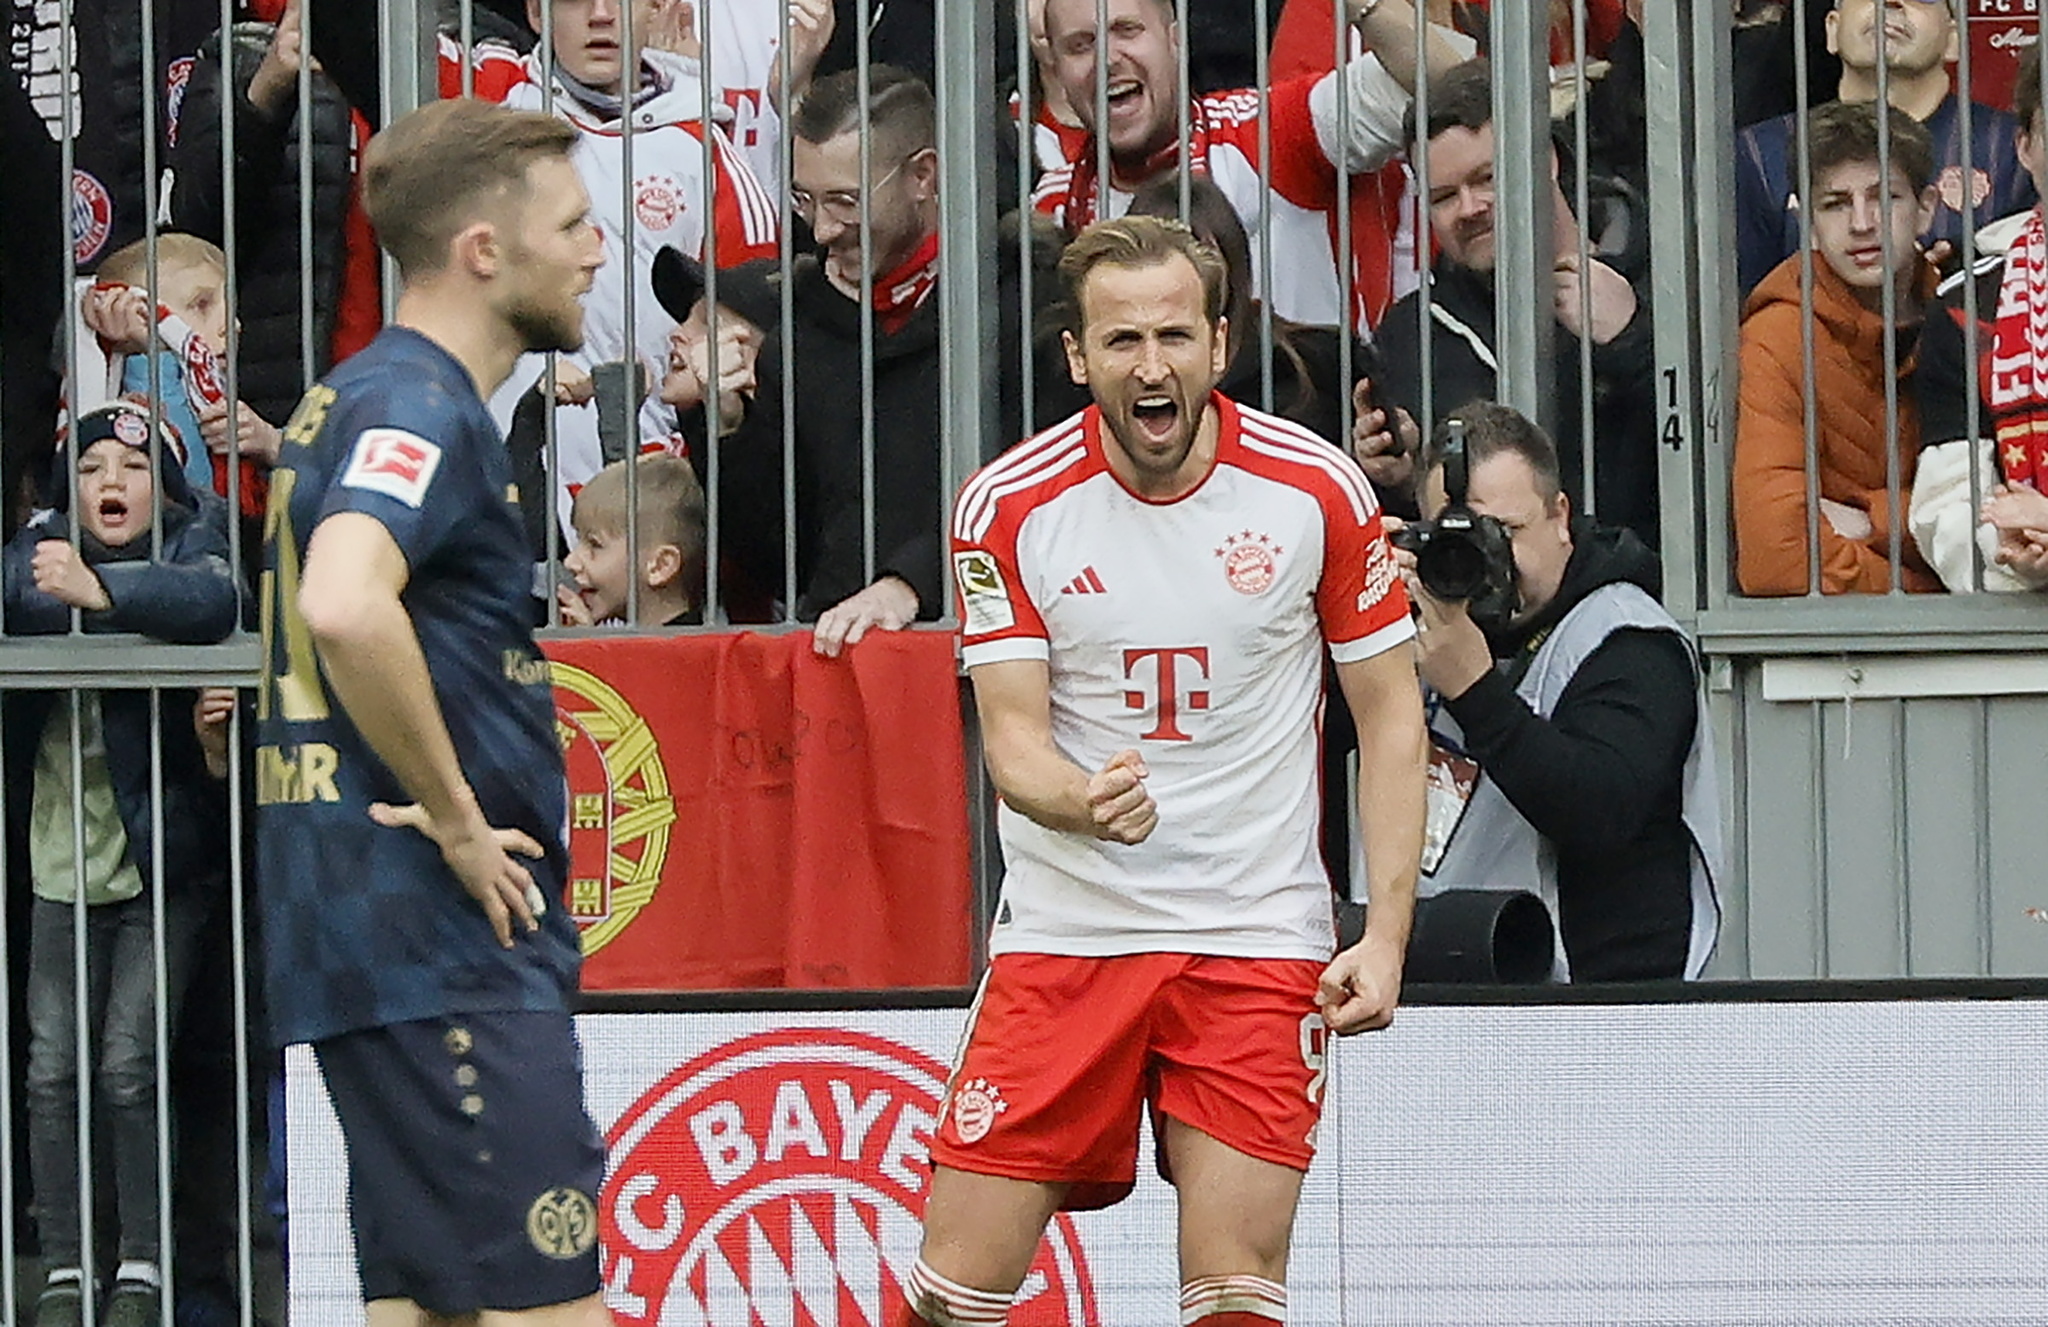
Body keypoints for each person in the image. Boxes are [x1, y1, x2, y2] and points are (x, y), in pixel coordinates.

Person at [911, 215, 1426, 1327]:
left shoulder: (1316, 493)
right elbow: (1009, 741)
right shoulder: (1006, 505)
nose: (1152, 366)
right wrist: (1077, 801)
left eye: (1175, 336)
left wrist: (1383, 938)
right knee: (953, 1298)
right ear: (1075, 357)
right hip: (1067, 935)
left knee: (1236, 1298)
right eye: (1122, 340)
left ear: (1219, 342)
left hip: (1252, 937)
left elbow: (1390, 715)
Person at [254, 98, 608, 1324]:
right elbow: (349, 604)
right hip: (439, 942)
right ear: (481, 250)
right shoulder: (417, 405)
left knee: (422, 1309)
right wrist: (459, 818)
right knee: (551, 1307)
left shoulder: (348, 395)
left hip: (371, 940)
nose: (596, 248)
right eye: (570, 224)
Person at [7, 403, 240, 1327]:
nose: (110, 482)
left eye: (133, 469)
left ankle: (143, 1266)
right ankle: (65, 1269)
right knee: (49, 1071)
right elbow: (19, 596)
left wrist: (100, 594)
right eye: (92, 465)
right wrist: (78, 583)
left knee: (128, 1067)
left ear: (167, 488)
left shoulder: (198, 543)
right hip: (55, 865)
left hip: (160, 867)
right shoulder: (39, 547)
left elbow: (213, 602)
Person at [695, 65, 1039, 651]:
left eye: (846, 202)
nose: (823, 229)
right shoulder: (800, 324)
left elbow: (1043, 497)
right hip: (841, 670)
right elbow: (778, 558)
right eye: (804, 201)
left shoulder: (1025, 303)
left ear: (923, 176)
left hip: (1001, 657)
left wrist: (913, 583)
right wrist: (728, 431)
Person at [1398, 401, 1720, 982]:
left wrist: (1473, 688)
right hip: (1443, 995)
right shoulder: (1417, 624)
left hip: (1597, 1012)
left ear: (1560, 516)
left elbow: (1600, 809)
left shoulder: (1628, 639)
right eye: (1458, 540)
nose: (1488, 560)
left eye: (1506, 532)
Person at [457, 0, 781, 544]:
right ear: (535, 12)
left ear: (658, 10)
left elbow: (753, 351)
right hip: (502, 491)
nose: (602, 15)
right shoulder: (487, 116)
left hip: (650, 514)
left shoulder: (710, 155)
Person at [1031, 0, 1469, 334]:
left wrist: (1365, 6)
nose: (1107, 60)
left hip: (1317, 435)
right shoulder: (1057, 202)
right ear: (1058, 72)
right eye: (1079, 46)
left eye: (1126, 31)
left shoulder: (1271, 128)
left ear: (1175, 39)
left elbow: (1457, 86)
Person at [1373, 57, 1662, 546]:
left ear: (1545, 159)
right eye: (1444, 196)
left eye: (1486, 178)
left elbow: (1722, 442)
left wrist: (1633, 337)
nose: (1469, 208)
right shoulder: (1411, 337)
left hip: (1651, 595)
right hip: (1492, 615)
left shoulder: (1666, 272)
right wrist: (1398, 479)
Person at [1735, 99, 1943, 596]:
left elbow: (2005, 524)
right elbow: (1776, 561)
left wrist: (1873, 520)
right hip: (1826, 662)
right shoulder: (1778, 336)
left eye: (1884, 198)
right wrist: (1938, 587)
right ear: (1807, 220)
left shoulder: (1967, 317)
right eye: (1835, 204)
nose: (1861, 223)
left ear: (1926, 209)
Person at [1733, 0, 2034, 297]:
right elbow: (1742, 308)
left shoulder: (2017, 149)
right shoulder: (1761, 152)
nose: (1891, 3)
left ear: (1954, 40)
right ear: (1832, 30)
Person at [1910, 39, 2048, 592]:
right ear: (2025, 147)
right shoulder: (1966, 307)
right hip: (2015, 641)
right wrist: (2011, 552)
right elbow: (1946, 505)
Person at [556, 453, 707, 626]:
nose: (570, 562)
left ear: (660, 565)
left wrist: (586, 649)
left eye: (595, 545)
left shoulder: (687, 651)